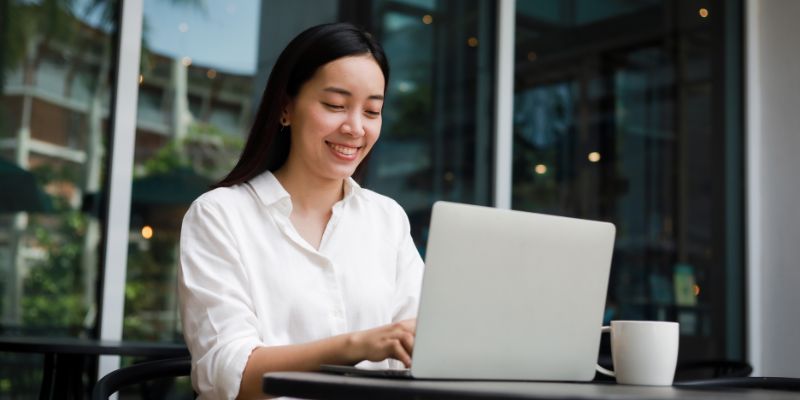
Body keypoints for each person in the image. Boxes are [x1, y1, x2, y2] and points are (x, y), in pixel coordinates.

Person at [177, 22, 425, 400]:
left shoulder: (387, 219)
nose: (355, 128)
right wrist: (355, 345)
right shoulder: (220, 215)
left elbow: (422, 344)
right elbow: (227, 373)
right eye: (335, 105)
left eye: (372, 111)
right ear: (286, 108)